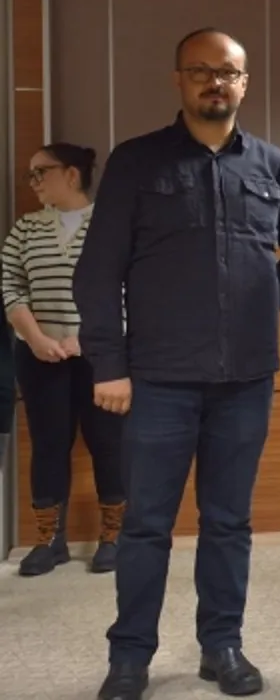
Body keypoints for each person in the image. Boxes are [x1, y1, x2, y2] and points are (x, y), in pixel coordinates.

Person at [74, 27, 280, 700]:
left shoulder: (272, 167)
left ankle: (221, 645)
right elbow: (98, 271)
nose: (214, 82)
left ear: (245, 83)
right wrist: (108, 363)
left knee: (229, 523)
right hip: (157, 381)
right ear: (178, 79)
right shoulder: (137, 162)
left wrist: (263, 301)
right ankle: (130, 656)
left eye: (227, 72)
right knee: (147, 525)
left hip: (246, 381)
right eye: (200, 70)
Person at [3, 142, 126, 577]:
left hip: (102, 359)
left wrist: (87, 339)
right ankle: (48, 541)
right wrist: (35, 337)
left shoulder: (112, 224)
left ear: (72, 174)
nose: (33, 181)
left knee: (109, 444)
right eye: (31, 174)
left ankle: (113, 538)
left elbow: (132, 289)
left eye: (41, 172)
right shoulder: (26, 228)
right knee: (48, 445)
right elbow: (10, 285)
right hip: (39, 356)